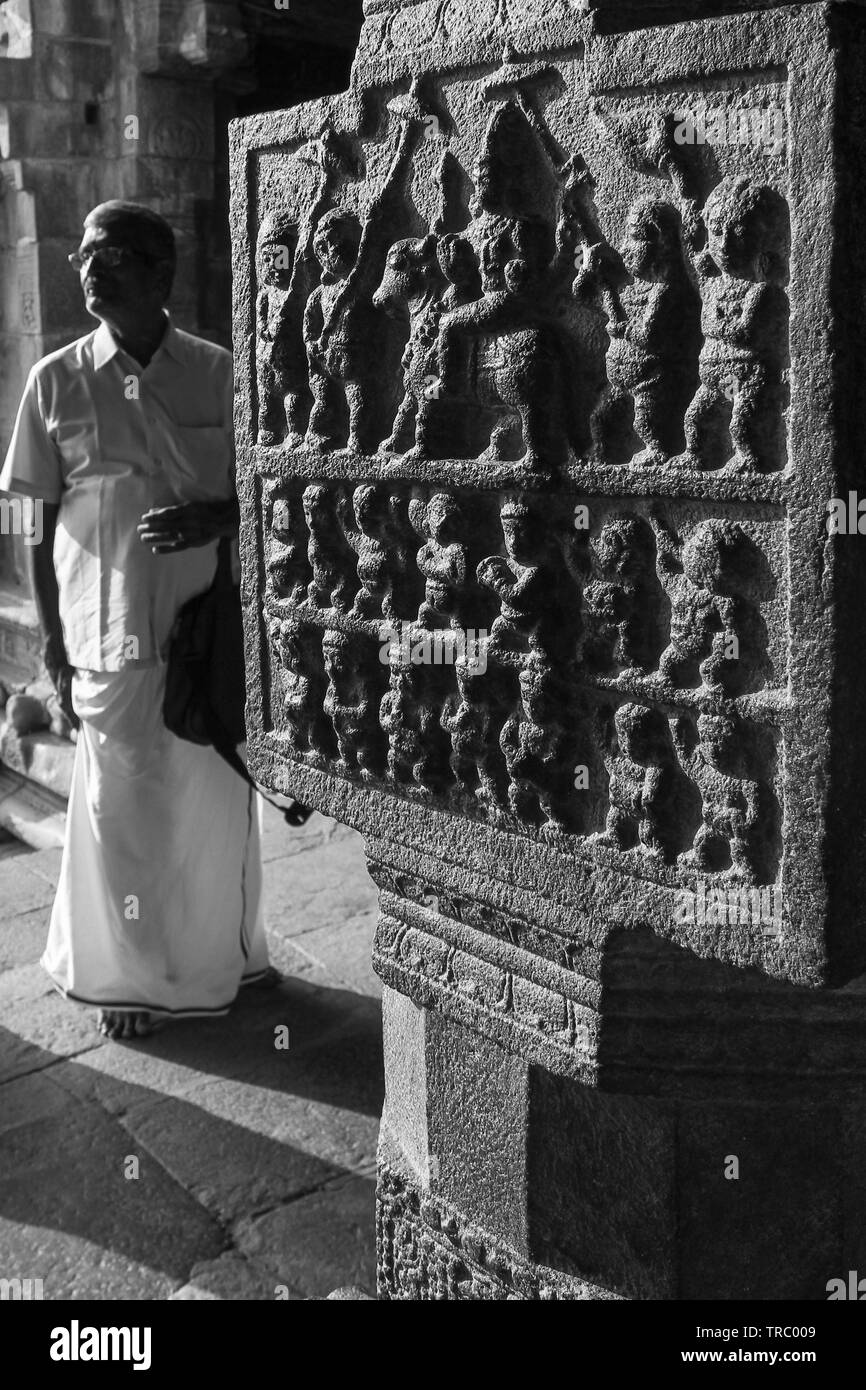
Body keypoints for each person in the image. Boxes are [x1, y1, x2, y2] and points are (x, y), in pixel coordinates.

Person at [0, 200, 271, 1039]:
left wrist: (218, 520)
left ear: (161, 274)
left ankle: (223, 956)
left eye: (111, 254)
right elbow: (25, 519)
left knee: (213, 801)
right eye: (84, 255)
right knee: (126, 807)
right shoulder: (56, 380)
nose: (89, 268)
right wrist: (46, 634)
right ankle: (129, 978)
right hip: (102, 637)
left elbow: (270, 494)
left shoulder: (221, 372)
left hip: (205, 637)